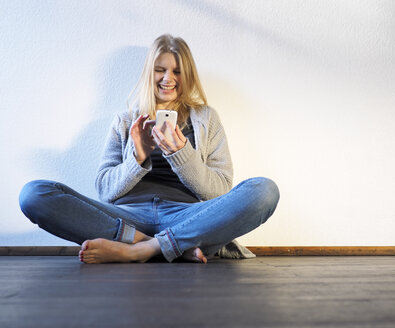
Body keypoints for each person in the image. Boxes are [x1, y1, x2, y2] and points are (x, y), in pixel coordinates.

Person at [19, 34, 280, 264]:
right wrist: (138, 157)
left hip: (186, 217)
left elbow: (220, 191)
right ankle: (164, 245)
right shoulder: (124, 121)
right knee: (34, 194)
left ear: (187, 75)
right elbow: (105, 191)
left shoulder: (206, 118)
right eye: (160, 70)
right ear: (149, 73)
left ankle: (141, 249)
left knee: (264, 191)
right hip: (126, 218)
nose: (168, 78)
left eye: (177, 71)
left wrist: (181, 154)